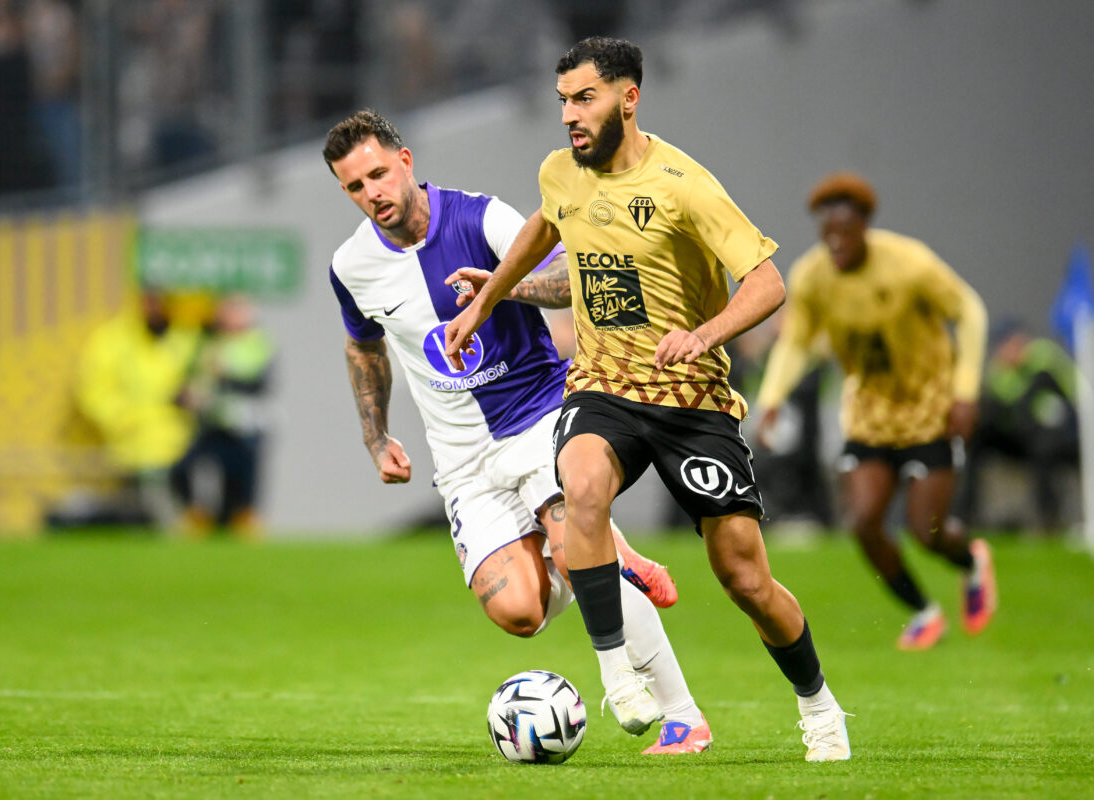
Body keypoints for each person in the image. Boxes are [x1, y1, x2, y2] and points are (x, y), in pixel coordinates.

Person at [444, 37, 850, 762]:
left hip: (691, 401)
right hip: (602, 388)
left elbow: (767, 283)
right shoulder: (560, 172)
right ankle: (618, 674)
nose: (570, 114)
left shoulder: (684, 185)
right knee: (580, 486)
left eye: (585, 98)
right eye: (563, 100)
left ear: (628, 98)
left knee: (745, 578)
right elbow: (545, 226)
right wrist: (491, 296)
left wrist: (704, 334)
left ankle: (819, 706)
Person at [324, 109, 709, 755]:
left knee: (573, 546)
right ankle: (608, 562)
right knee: (520, 612)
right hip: (463, 462)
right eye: (355, 187)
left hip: (538, 418)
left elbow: (571, 281)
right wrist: (376, 436)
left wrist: (501, 290)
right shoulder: (351, 265)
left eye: (379, 174)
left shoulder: (481, 218)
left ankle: (678, 714)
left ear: (406, 161)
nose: (373, 194)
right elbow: (363, 345)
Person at [755, 172, 998, 652]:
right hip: (870, 414)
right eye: (828, 233)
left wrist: (966, 391)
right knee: (864, 522)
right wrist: (772, 397)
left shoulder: (909, 264)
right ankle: (925, 612)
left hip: (929, 409)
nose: (836, 243)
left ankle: (971, 561)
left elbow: (969, 311)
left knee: (927, 531)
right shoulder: (813, 276)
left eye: (845, 233)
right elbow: (797, 341)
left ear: (864, 226)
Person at [76, 288, 200, 528]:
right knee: (140, 519)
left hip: (181, 448)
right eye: (149, 300)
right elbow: (92, 389)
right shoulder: (115, 338)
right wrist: (123, 420)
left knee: (176, 519)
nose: (154, 307)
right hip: (132, 446)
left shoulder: (187, 337)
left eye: (161, 300)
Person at [959, 319, 1079, 531]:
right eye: (1002, 346)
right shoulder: (1000, 370)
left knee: (1045, 445)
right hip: (1023, 437)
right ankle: (965, 515)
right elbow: (1005, 410)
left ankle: (1049, 517)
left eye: (1011, 344)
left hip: (1060, 437)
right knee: (978, 438)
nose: (1007, 351)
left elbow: (1074, 395)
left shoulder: (1045, 358)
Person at [171, 294, 275, 537]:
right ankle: (197, 516)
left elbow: (258, 382)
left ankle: (242, 519)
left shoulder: (256, 342)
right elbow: (194, 376)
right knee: (183, 468)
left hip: (245, 425)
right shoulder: (209, 342)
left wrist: (224, 375)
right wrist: (188, 395)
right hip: (213, 421)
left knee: (241, 479)